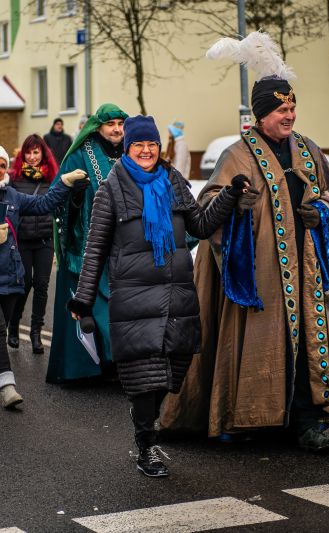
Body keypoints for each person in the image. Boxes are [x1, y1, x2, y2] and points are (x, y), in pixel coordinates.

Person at [160, 31, 329, 454]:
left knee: (304, 347)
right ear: (262, 115)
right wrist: (234, 203)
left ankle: (306, 423)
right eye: (282, 109)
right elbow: (206, 208)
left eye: (293, 107)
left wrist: (318, 212)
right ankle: (250, 418)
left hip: (301, 273)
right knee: (259, 345)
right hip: (258, 277)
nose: (290, 115)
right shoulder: (237, 155)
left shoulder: (309, 150)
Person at [67, 115, 248, 477]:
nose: (147, 150)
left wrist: (229, 196)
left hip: (177, 295)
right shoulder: (111, 190)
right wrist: (83, 301)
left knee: (172, 373)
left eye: (151, 144)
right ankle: (146, 445)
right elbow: (95, 249)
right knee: (144, 380)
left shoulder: (173, 181)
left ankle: (146, 425)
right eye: (138, 145)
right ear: (127, 148)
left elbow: (198, 225)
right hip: (134, 301)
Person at [0, 140, 88, 408]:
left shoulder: (11, 195)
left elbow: (43, 204)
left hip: (11, 275)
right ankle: (7, 385)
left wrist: (64, 182)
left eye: (2, 164)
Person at [46, 103, 128, 384]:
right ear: (98, 127)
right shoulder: (80, 156)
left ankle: (120, 365)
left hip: (126, 247)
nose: (117, 129)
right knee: (94, 310)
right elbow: (56, 199)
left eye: (120, 123)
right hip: (88, 245)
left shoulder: (134, 153)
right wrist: (76, 197)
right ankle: (89, 367)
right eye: (111, 124)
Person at [6, 134, 59, 354]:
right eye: (28, 152)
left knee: (42, 286)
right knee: (24, 284)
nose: (32, 156)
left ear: (43, 153)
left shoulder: (52, 178)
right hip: (23, 241)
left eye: (36, 152)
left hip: (45, 239)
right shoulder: (15, 179)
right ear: (23, 155)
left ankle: (36, 332)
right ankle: (14, 325)